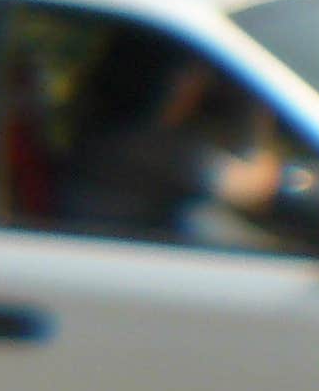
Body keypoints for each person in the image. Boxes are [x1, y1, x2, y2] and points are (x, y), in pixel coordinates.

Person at [57, 29, 292, 243]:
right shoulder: (145, 148)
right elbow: (253, 190)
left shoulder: (107, 134)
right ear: (160, 80)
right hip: (113, 257)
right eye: (190, 75)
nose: (200, 87)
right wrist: (258, 105)